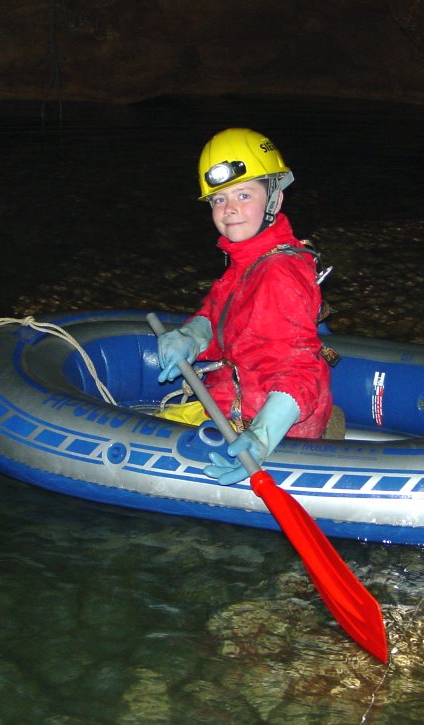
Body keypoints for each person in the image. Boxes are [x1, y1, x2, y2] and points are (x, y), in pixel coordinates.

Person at [157, 127, 335, 485]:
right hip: (236, 402)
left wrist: (263, 437)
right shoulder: (250, 259)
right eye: (219, 199)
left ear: (275, 200)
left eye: (244, 194)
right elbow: (220, 312)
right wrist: (192, 336)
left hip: (260, 423)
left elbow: (301, 369)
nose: (230, 209)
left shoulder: (277, 273)